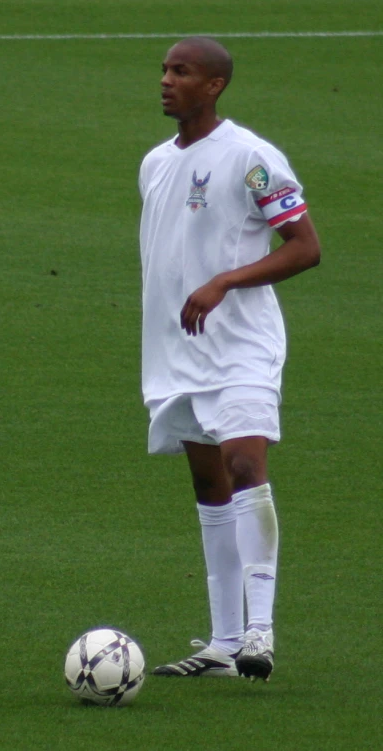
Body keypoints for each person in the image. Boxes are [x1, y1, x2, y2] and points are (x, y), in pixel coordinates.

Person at [138, 37, 321, 681]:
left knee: (245, 464)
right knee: (207, 484)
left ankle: (261, 634)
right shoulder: (156, 163)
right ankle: (221, 643)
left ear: (214, 86)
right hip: (177, 350)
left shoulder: (251, 157)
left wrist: (223, 283)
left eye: (181, 71)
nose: (166, 80)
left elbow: (304, 246)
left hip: (241, 344)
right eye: (164, 69)